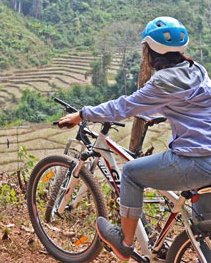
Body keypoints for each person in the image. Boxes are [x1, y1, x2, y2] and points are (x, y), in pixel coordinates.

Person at [58, 16, 211, 261]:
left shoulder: (161, 81)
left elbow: (124, 107)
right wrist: (157, 112)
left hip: (196, 160)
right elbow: (190, 104)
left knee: (130, 173)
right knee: (204, 231)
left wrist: (82, 114)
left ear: (150, 52)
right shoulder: (197, 70)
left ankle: (124, 242)